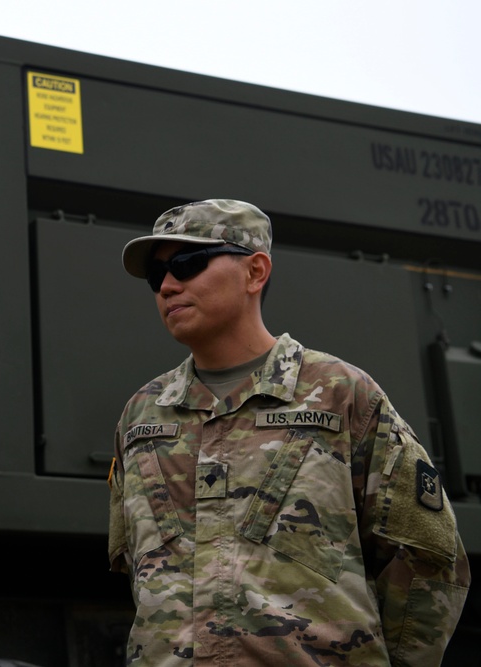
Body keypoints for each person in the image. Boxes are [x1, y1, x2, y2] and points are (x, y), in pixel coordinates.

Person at [107, 199, 470, 665]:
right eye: (157, 276)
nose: (168, 286)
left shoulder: (342, 396)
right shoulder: (141, 416)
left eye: (188, 263)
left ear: (255, 272)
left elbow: (428, 559)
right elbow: (139, 576)